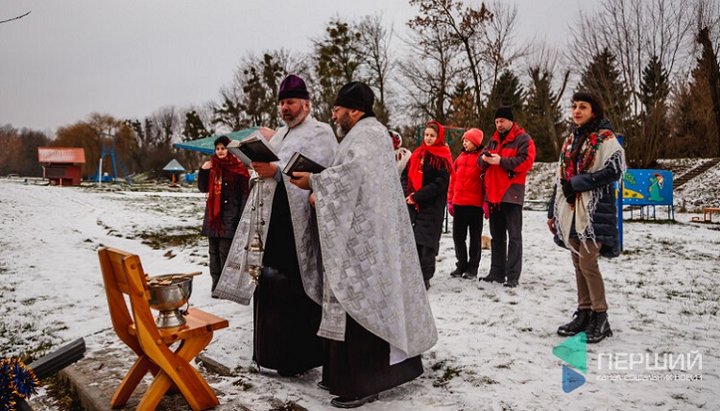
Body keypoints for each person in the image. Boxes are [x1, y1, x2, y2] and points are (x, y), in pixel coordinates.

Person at [290, 82, 437, 408]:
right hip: (359, 234)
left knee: (362, 303)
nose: (334, 113)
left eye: (339, 108)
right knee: (352, 303)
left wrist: (315, 180)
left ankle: (366, 381)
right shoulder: (361, 135)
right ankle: (344, 377)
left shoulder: (369, 135)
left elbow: (351, 177)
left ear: (354, 110)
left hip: (368, 241)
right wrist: (320, 180)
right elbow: (349, 178)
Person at [213, 74, 338, 376]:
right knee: (270, 288)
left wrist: (275, 171)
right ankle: (269, 355)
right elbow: (272, 168)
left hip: (299, 230)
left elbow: (322, 174)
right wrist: (257, 166)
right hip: (272, 225)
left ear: (306, 104)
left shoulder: (320, 133)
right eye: (282, 102)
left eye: (290, 102)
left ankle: (297, 359)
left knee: (294, 292)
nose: (285, 107)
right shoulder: (280, 135)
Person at [548, 92, 625, 344]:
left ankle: (601, 316)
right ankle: (584, 312)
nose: (577, 110)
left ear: (594, 110)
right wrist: (552, 211)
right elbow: (561, 178)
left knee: (588, 262)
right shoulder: (571, 139)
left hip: (594, 210)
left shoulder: (605, 138)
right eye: (574, 106)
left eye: (583, 106)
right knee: (578, 262)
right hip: (570, 210)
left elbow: (615, 169)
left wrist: (580, 183)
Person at [479, 106, 536, 288]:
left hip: (512, 192)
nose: (499, 124)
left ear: (511, 121)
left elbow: (526, 161)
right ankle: (496, 272)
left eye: (502, 121)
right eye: (496, 122)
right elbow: (479, 162)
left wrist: (501, 161)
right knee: (497, 236)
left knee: (514, 236)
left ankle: (512, 276)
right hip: (494, 193)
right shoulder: (493, 141)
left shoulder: (523, 139)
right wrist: (484, 159)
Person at [401, 120, 452, 290]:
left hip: (431, 206)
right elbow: (406, 176)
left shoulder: (442, 158)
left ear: (439, 137)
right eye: (426, 135)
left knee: (427, 244)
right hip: (414, 205)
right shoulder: (418, 154)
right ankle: (413, 275)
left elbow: (439, 184)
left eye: (432, 135)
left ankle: (425, 277)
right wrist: (407, 194)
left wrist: (418, 196)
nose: (429, 138)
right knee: (413, 242)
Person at [197, 136, 250, 293]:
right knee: (213, 253)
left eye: (223, 148)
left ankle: (227, 286)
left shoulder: (239, 168)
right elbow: (203, 188)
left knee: (225, 252)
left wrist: (239, 217)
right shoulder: (213, 167)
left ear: (230, 150)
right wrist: (203, 171)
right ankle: (216, 285)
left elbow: (244, 195)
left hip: (230, 217)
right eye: (218, 148)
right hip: (213, 218)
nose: (220, 151)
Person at [447, 128, 485, 280]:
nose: (464, 143)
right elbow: (453, 181)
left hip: (475, 206)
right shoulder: (459, 158)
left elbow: (486, 182)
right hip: (459, 204)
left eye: (467, 140)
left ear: (475, 142)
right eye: (463, 140)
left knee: (475, 238)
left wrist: (485, 202)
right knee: (458, 236)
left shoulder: (482, 160)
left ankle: (472, 268)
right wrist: (450, 200)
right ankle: (461, 264)